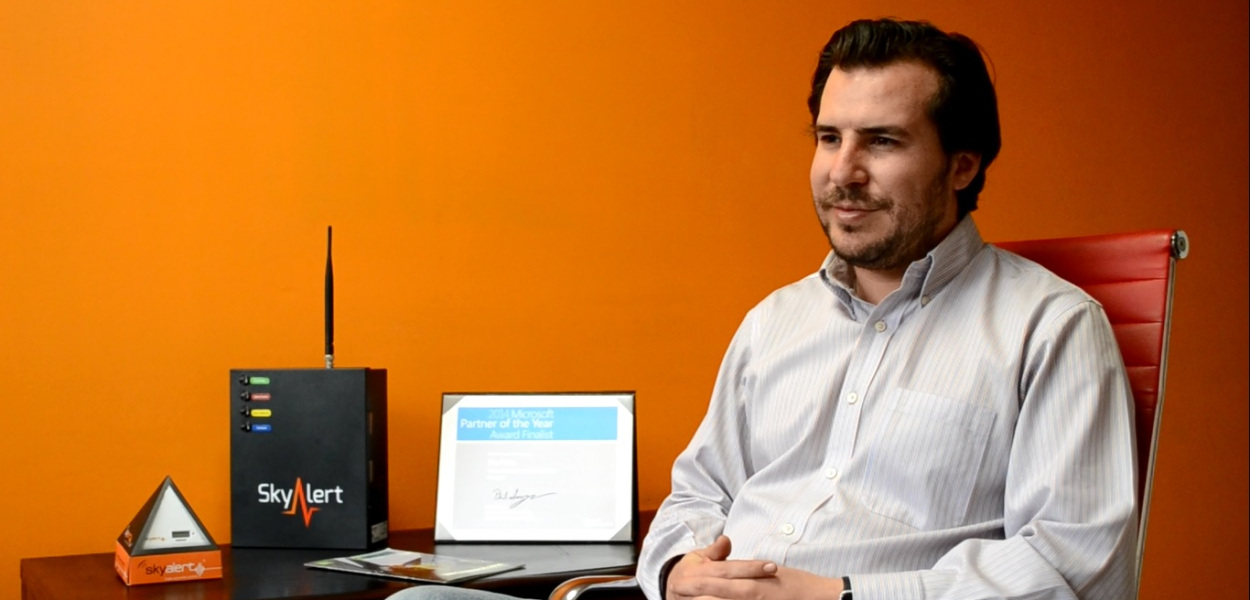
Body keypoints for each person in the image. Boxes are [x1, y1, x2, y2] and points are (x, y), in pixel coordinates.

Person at [390, 17, 1137, 600]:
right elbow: (699, 493)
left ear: (962, 165)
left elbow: (1071, 567)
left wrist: (840, 595)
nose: (843, 172)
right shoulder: (775, 322)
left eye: (882, 141)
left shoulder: (1052, 328)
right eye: (829, 137)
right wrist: (678, 569)